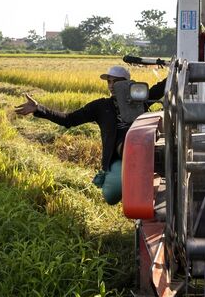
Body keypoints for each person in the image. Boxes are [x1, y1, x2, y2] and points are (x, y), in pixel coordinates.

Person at [14, 65, 165, 205]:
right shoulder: (100, 106)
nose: (111, 85)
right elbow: (69, 120)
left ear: (128, 83)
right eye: (109, 82)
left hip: (146, 147)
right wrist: (38, 109)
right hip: (121, 153)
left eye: (116, 81)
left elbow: (162, 88)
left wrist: (182, 69)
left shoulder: (140, 100)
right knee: (111, 194)